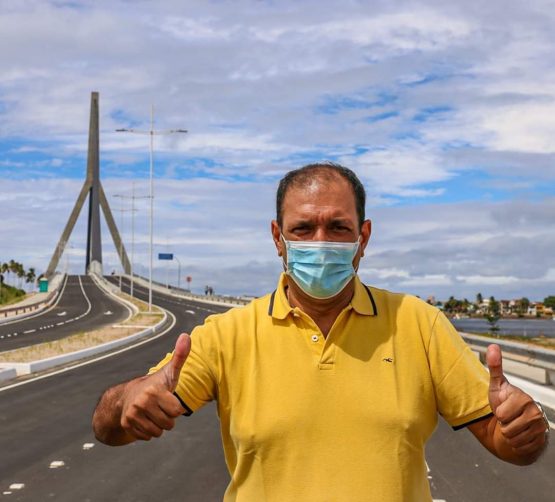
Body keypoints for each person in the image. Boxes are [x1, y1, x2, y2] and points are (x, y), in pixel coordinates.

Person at [93, 162, 550, 501]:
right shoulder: (227, 336)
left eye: (338, 228)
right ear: (278, 238)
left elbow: (506, 440)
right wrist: (127, 402)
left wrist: (526, 433)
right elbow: (109, 428)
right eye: (303, 228)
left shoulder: (419, 324)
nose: (320, 242)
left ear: (363, 237)